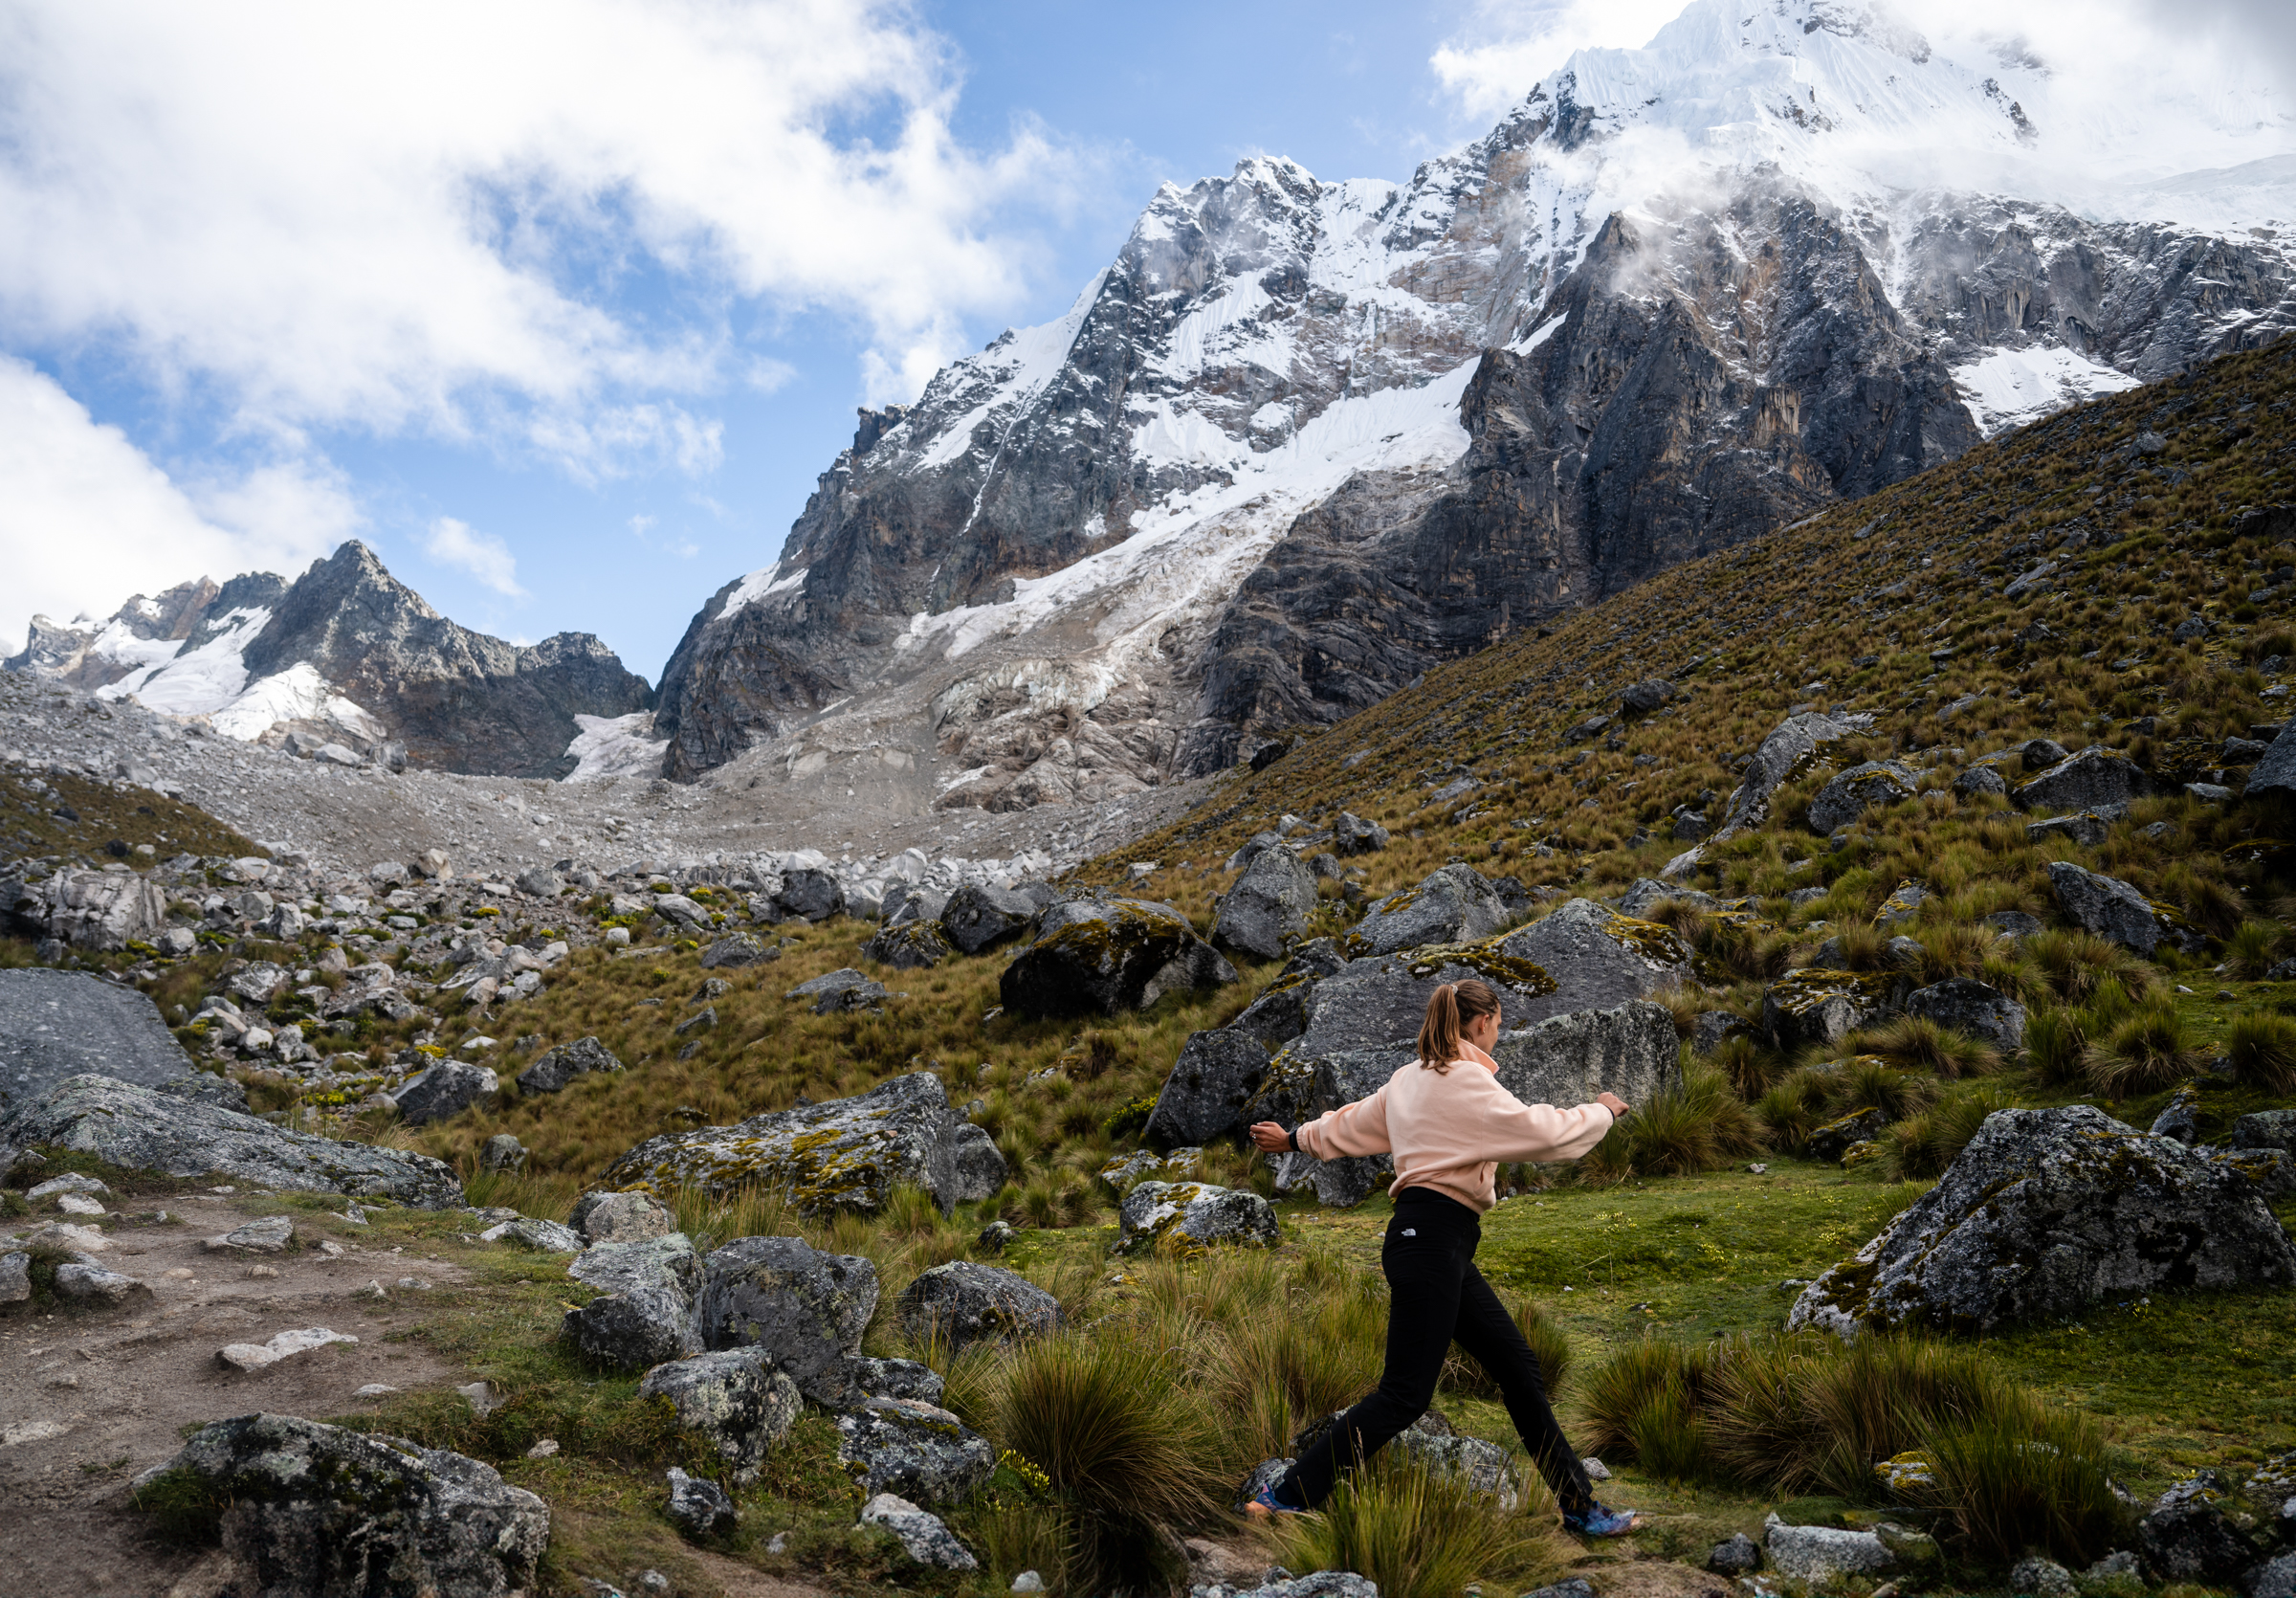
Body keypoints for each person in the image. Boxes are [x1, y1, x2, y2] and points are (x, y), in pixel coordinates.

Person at [1243, 978, 1644, 1537]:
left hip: (1434, 1244)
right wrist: (1600, 1112)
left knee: (1518, 1369)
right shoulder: (1469, 1082)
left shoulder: (1408, 1080)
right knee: (1404, 1395)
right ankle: (1286, 1496)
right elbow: (1547, 1134)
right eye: (1498, 1024)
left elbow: (1350, 1123)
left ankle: (1578, 1506)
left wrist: (1293, 1138)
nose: (1497, 1034)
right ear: (1481, 1023)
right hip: (1433, 1243)